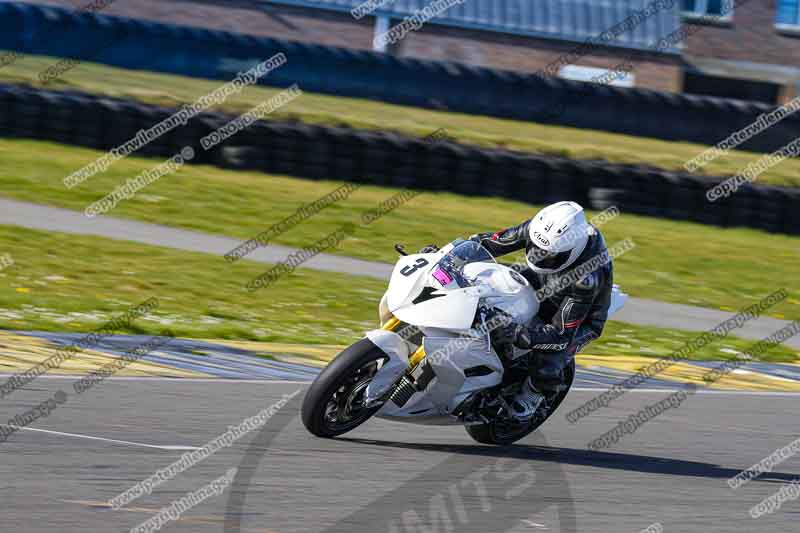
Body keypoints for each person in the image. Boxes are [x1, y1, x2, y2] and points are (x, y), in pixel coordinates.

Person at [421, 201, 613, 420]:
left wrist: (521, 333)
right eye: (536, 247)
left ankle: (534, 394)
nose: (539, 254)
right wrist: (446, 257)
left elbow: (561, 334)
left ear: (571, 250)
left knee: (547, 360)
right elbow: (486, 243)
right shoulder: (539, 231)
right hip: (537, 282)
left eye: (548, 254)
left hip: (578, 319)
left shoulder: (586, 279)